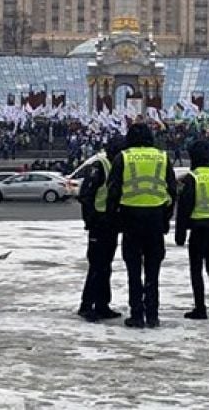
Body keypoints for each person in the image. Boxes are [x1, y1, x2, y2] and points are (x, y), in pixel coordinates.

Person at [106, 123, 177, 329]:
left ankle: (136, 314)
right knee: (153, 271)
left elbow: (113, 192)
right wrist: (165, 219)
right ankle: (153, 314)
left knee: (134, 270)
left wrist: (114, 221)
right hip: (155, 219)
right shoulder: (162, 158)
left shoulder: (123, 157)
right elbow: (172, 192)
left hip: (130, 219)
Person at [175, 140, 209, 320]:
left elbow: (184, 208)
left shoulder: (194, 177)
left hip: (199, 228)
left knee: (196, 268)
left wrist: (180, 235)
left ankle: (200, 308)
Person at [77, 136, 125, 323]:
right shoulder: (100, 165)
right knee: (97, 266)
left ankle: (102, 304)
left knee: (105, 266)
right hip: (99, 222)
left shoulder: (116, 164)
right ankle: (87, 306)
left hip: (111, 223)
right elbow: (86, 195)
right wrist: (91, 221)